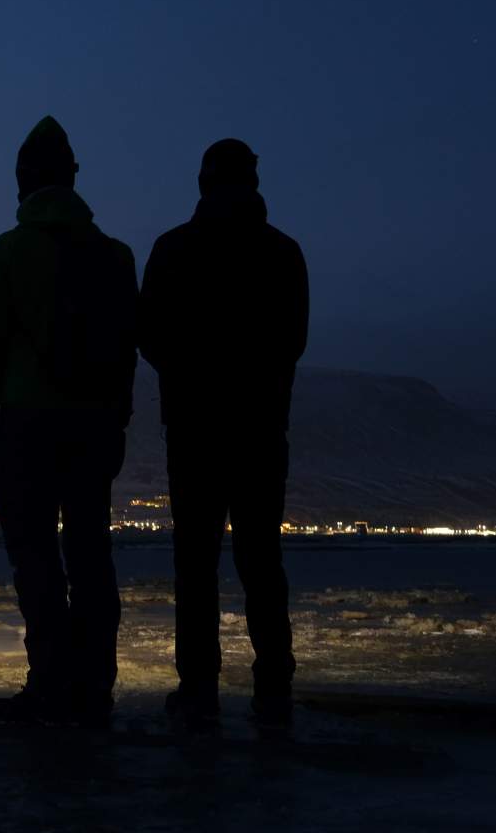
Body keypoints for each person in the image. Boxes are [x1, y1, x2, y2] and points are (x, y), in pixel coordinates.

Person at [0, 116, 138, 728]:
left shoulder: (8, 253)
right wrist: (117, 419)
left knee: (35, 556)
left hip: (28, 424)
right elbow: (125, 352)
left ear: (22, 182)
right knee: (91, 552)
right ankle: (93, 685)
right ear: (72, 179)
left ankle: (50, 683)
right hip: (92, 426)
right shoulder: (115, 258)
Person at [138, 139, 308, 729]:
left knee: (197, 562)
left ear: (204, 182)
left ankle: (199, 688)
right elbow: (293, 340)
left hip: (194, 427)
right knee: (261, 557)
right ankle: (273, 686)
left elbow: (150, 335)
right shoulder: (282, 253)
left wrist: (191, 376)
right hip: (261, 426)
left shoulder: (174, 249)